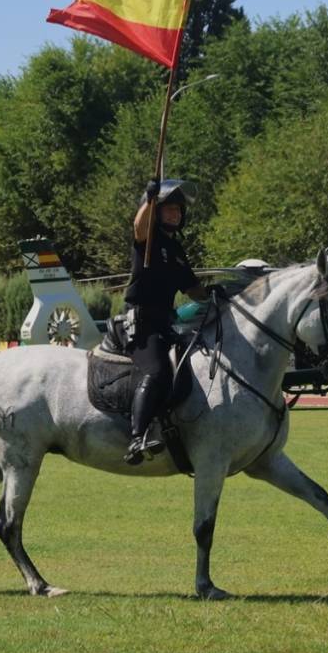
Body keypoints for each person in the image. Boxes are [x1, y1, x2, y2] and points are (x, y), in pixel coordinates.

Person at [122, 178, 214, 464]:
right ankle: (137, 438)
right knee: (157, 371)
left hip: (166, 324)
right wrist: (150, 199)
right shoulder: (148, 241)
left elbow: (193, 290)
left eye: (178, 210)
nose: (175, 214)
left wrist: (215, 295)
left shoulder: (176, 250)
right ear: (156, 212)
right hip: (142, 324)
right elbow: (138, 227)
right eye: (169, 209)